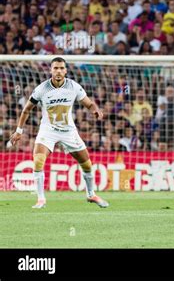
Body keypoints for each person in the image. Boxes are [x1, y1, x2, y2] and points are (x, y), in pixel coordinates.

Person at [9, 57, 109, 209]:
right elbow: (27, 109)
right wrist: (18, 131)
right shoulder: (42, 88)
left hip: (69, 131)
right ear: (51, 70)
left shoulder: (73, 86)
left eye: (61, 68)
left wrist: (95, 110)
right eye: (55, 68)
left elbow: (88, 103)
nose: (58, 71)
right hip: (48, 130)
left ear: (66, 70)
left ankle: (91, 194)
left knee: (87, 164)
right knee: (38, 160)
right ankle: (41, 199)